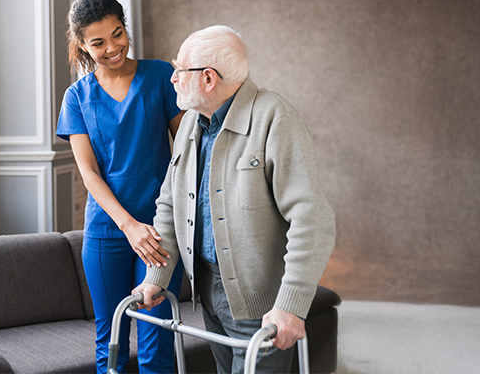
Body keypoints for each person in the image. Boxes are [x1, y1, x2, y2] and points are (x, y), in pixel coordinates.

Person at [131, 25, 336, 374]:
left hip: (263, 305)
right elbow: (170, 203)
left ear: (209, 79)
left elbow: (312, 219)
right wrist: (156, 276)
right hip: (208, 292)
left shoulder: (274, 118)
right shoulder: (192, 124)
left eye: (179, 70)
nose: (173, 79)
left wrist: (291, 305)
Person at [56, 0, 186, 374]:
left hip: (160, 230)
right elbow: (89, 173)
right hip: (106, 232)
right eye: (98, 42)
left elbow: (185, 154)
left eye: (118, 34)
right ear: (81, 44)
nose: (112, 47)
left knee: (157, 340)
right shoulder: (76, 97)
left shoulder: (161, 76)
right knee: (109, 341)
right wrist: (128, 226)